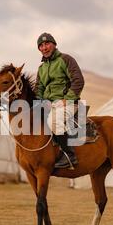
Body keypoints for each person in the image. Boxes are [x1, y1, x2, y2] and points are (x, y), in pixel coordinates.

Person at [35, 32, 85, 169]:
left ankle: (70, 156)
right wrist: (38, 102)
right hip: (49, 104)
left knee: (54, 121)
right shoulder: (42, 68)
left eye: (47, 44)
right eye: (41, 45)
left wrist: (67, 99)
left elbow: (78, 80)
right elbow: (39, 88)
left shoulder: (66, 59)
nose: (44, 48)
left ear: (54, 44)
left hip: (67, 102)